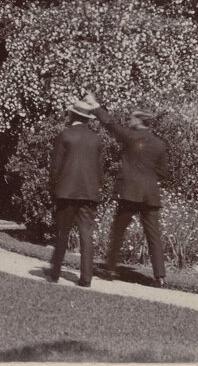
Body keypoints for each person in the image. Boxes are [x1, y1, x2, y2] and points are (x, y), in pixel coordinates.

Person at [84, 92, 169, 287]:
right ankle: (160, 277)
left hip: (129, 193)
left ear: (139, 120)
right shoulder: (159, 144)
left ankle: (110, 269)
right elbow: (163, 172)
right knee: (153, 235)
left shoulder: (131, 137)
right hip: (150, 195)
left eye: (131, 117)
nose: (129, 121)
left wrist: (95, 105)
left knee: (118, 231)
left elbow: (110, 124)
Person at [48, 99, 105, 287]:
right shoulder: (96, 139)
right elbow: (100, 169)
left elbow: (55, 166)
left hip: (66, 191)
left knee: (62, 233)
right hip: (89, 193)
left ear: (73, 115)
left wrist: (53, 187)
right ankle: (86, 278)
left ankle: (55, 273)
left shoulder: (65, 135)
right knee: (86, 234)